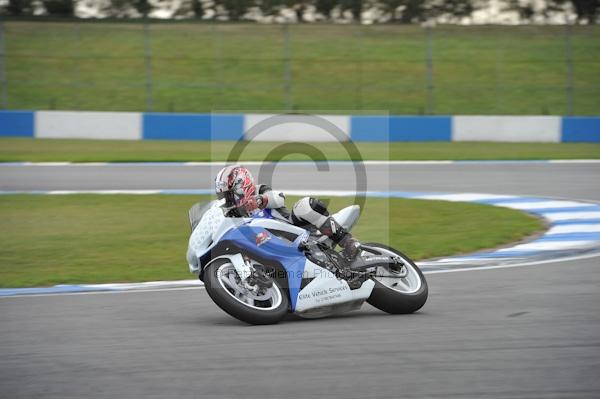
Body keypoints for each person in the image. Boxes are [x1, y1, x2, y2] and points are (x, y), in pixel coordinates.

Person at [215, 165, 361, 261]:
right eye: (225, 197)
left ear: (242, 185)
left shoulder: (259, 190)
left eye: (230, 195)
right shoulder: (232, 215)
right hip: (271, 249)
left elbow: (279, 198)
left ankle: (347, 242)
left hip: (297, 232)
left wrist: (261, 199)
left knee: (303, 206)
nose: (228, 200)